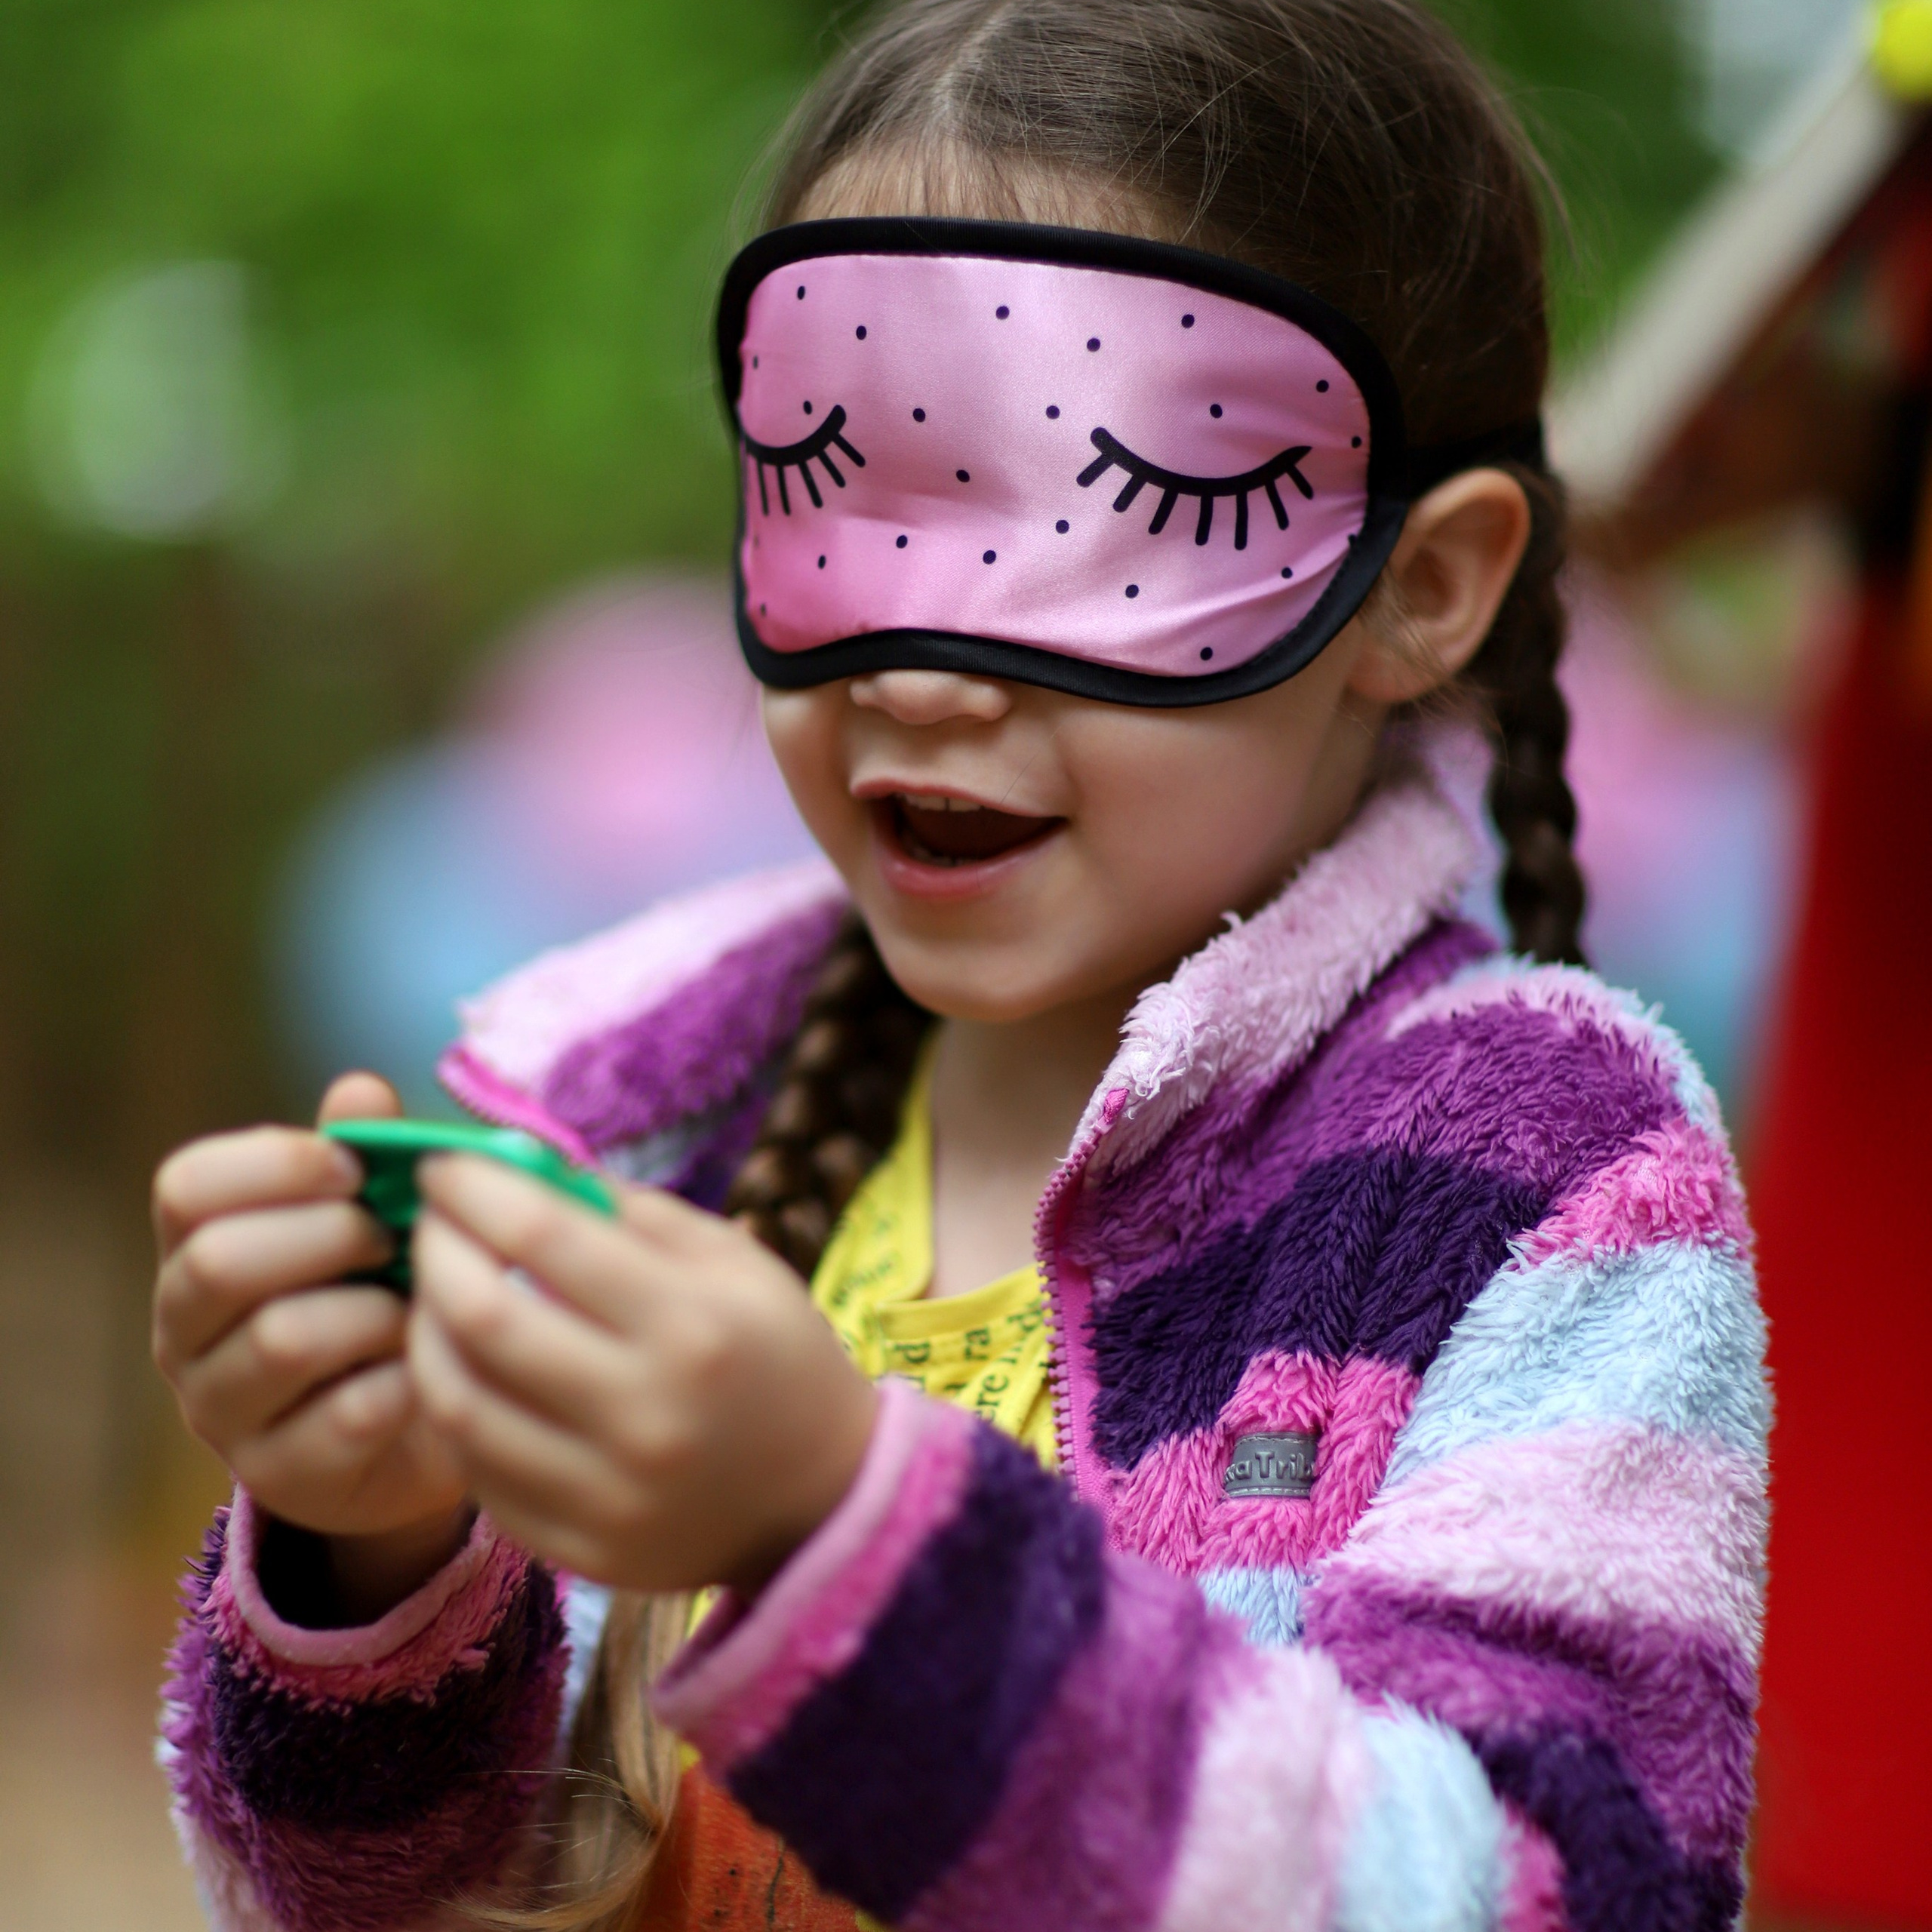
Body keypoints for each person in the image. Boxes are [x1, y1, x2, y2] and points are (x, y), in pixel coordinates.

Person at [150, 4, 1768, 1929]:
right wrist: (368, 1546)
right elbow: (359, 1886)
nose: (920, 668)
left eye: (1127, 519)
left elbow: (1550, 1891)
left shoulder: (1536, 1180)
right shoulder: (632, 1122)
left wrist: (842, 1530)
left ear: (1416, 587)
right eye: (843, 480)